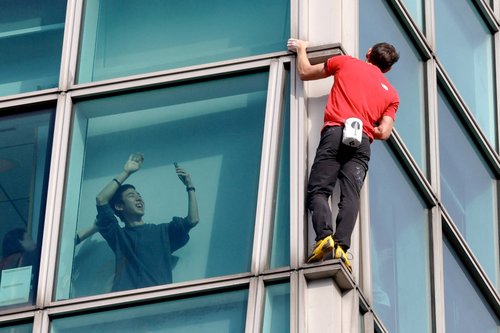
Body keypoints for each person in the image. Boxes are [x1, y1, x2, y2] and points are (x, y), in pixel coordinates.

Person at [287, 38, 400, 272]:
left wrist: (301, 49)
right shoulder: (392, 95)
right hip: (363, 143)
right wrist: (367, 126)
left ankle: (324, 238)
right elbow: (384, 132)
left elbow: (305, 72)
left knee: (319, 189)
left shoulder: (345, 63)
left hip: (336, 131)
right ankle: (341, 247)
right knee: (351, 194)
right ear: (387, 69)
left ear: (368, 52)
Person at [95, 153, 199, 292]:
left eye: (140, 196)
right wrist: (126, 172)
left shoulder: (162, 232)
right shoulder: (118, 236)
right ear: (120, 206)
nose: (139, 199)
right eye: (132, 196)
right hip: (125, 304)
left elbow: (192, 220)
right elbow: (101, 199)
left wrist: (190, 186)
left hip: (157, 302)